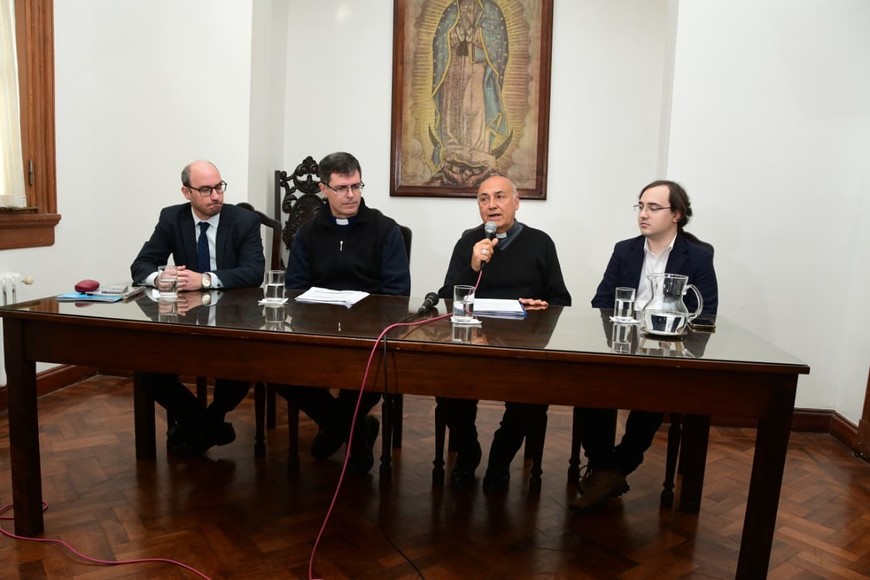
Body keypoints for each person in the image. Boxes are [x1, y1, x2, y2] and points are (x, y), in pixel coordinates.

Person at [570, 179, 718, 513]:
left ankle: (614, 470)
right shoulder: (625, 249)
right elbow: (601, 301)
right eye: (640, 206)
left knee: (651, 398)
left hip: (667, 352)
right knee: (591, 387)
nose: (643, 214)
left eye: (653, 207)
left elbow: (706, 314)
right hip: (622, 346)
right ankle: (604, 467)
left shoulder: (696, 256)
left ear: (676, 214)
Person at [277, 152, 411, 474]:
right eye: (341, 188)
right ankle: (352, 430)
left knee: (373, 375)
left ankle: (338, 429)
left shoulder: (385, 230)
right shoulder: (307, 234)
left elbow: (397, 292)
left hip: (367, 333)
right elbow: (295, 288)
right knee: (280, 371)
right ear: (324, 189)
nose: (350, 194)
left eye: (356, 185)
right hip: (317, 329)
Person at [436, 175, 571, 492]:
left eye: (499, 197)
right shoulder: (469, 241)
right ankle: (468, 453)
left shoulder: (540, 243)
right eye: (484, 199)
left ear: (517, 201)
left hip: (522, 345)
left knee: (532, 397)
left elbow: (561, 300)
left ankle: (500, 457)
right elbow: (447, 295)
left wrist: (542, 306)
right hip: (474, 342)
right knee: (446, 385)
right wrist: (472, 264)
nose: (491, 205)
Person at [130, 160, 265, 457]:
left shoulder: (244, 221)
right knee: (147, 371)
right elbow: (140, 265)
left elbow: (255, 272)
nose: (216, 195)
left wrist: (205, 279)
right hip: (186, 318)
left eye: (219, 187)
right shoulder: (171, 218)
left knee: (239, 366)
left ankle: (208, 421)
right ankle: (208, 424)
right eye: (206, 190)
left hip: (235, 318)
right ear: (186, 192)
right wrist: (159, 278)